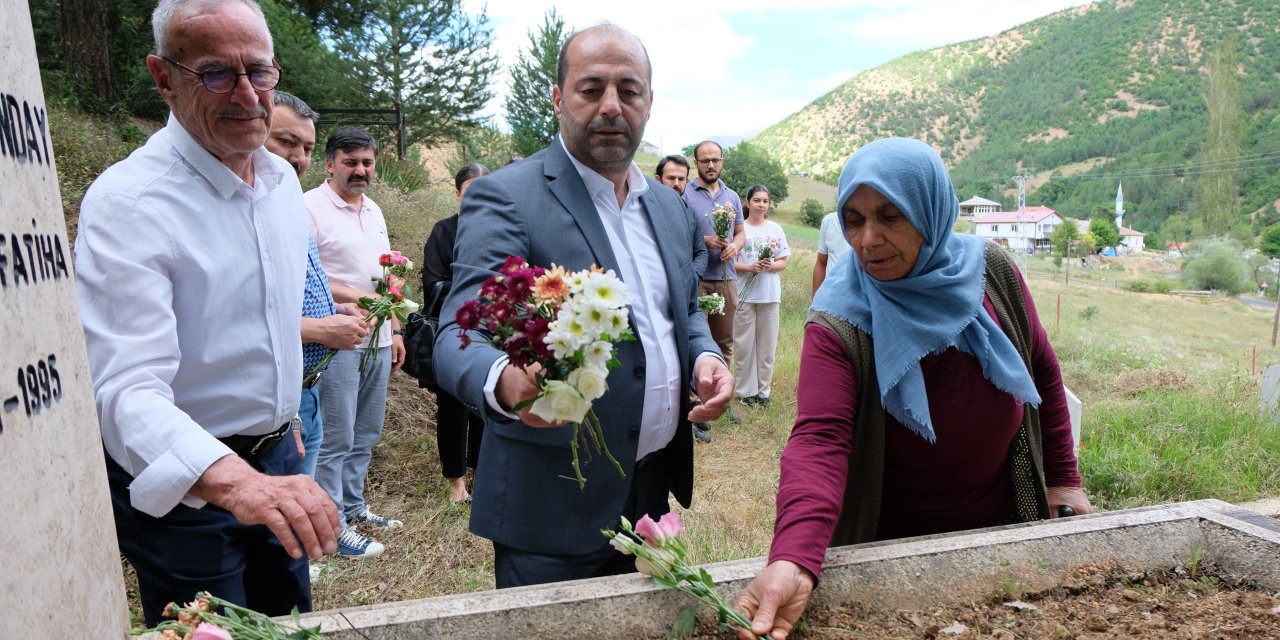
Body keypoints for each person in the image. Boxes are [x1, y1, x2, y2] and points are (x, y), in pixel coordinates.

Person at [733, 138, 1092, 640]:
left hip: (1001, 521)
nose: (867, 240)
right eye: (853, 220)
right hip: (889, 543)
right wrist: (793, 555)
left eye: (890, 216)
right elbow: (820, 438)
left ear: (931, 209)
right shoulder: (839, 318)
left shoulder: (994, 273)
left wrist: (1063, 479)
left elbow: (1042, 372)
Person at [433, 22, 733, 589]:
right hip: (552, 500)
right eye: (591, 89)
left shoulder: (668, 210)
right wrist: (501, 379)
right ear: (557, 98)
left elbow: (684, 312)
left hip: (647, 489)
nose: (612, 106)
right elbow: (457, 330)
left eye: (629, 90)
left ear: (650, 100)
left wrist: (703, 356)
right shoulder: (508, 196)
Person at [74, 0, 339, 625]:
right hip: (188, 491)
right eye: (217, 73)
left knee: (285, 625)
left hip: (277, 463)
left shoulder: (279, 184)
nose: (247, 94)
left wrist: (279, 416)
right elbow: (123, 390)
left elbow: (267, 325)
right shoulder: (129, 203)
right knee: (212, 634)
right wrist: (239, 482)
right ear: (164, 78)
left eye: (261, 72)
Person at [306, 125, 406, 558]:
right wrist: (356, 296)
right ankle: (334, 527)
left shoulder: (375, 210)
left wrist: (396, 327)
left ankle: (353, 505)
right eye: (350, 162)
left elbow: (384, 279)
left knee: (366, 432)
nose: (360, 170)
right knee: (335, 436)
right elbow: (307, 274)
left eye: (366, 162)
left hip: (379, 338)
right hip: (338, 341)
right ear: (329, 164)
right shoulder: (309, 207)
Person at [265, 91, 371, 479]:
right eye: (286, 142)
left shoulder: (286, 199)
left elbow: (301, 285)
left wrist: (331, 310)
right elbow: (234, 319)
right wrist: (321, 328)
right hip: (269, 400)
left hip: (306, 388)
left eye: (305, 147)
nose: (298, 157)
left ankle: (344, 515)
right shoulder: (253, 209)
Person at [421, 163, 490, 504]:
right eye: (469, 192)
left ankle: (481, 470)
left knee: (484, 401)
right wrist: (473, 293)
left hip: (490, 331)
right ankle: (455, 480)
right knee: (452, 407)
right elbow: (432, 282)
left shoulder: (497, 231)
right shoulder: (444, 232)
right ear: (458, 194)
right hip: (452, 331)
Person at [683, 140, 746, 425]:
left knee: (724, 342)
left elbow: (741, 232)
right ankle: (695, 406)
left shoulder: (731, 196)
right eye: (705, 160)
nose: (711, 165)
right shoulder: (684, 194)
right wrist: (704, 240)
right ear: (695, 162)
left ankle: (720, 398)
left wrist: (735, 245)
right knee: (695, 341)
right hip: (697, 279)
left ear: (722, 162)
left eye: (716, 160)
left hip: (726, 277)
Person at [733, 185, 789, 408]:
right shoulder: (740, 229)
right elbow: (729, 262)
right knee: (743, 345)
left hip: (769, 295)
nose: (761, 205)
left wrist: (770, 264)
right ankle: (745, 392)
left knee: (766, 347)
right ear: (747, 203)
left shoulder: (775, 229)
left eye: (765, 201)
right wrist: (749, 267)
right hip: (744, 296)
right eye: (757, 200)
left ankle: (763, 392)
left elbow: (784, 261)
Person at [812, 210, 852, 295]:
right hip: (830, 295)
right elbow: (821, 262)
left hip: (858, 298)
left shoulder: (869, 223)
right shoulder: (829, 220)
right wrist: (816, 300)